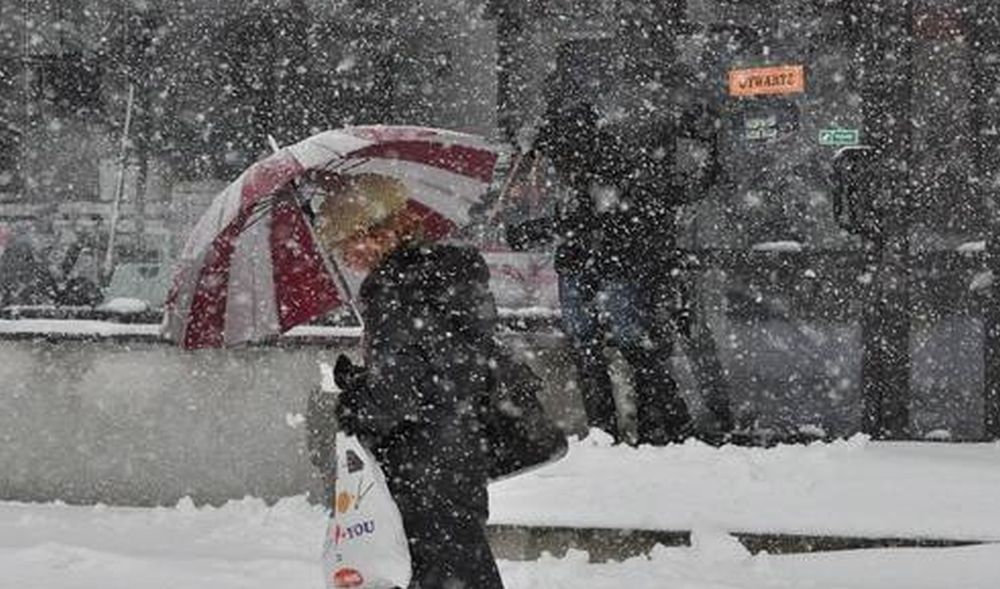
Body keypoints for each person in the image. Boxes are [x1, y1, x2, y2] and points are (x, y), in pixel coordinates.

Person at [507, 99, 729, 445]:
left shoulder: (604, 168)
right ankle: (649, 426)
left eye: (560, 154)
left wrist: (545, 230)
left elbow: (596, 220)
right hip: (603, 264)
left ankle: (625, 428)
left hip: (607, 264)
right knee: (615, 345)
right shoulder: (600, 166)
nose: (557, 163)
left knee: (607, 346)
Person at [313, 243, 508, 589]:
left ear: (376, 233)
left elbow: (396, 396)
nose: (345, 252)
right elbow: (440, 368)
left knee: (440, 571)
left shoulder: (394, 291)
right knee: (464, 565)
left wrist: (356, 401)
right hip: (459, 449)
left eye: (348, 238)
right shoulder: (446, 283)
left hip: (419, 463)